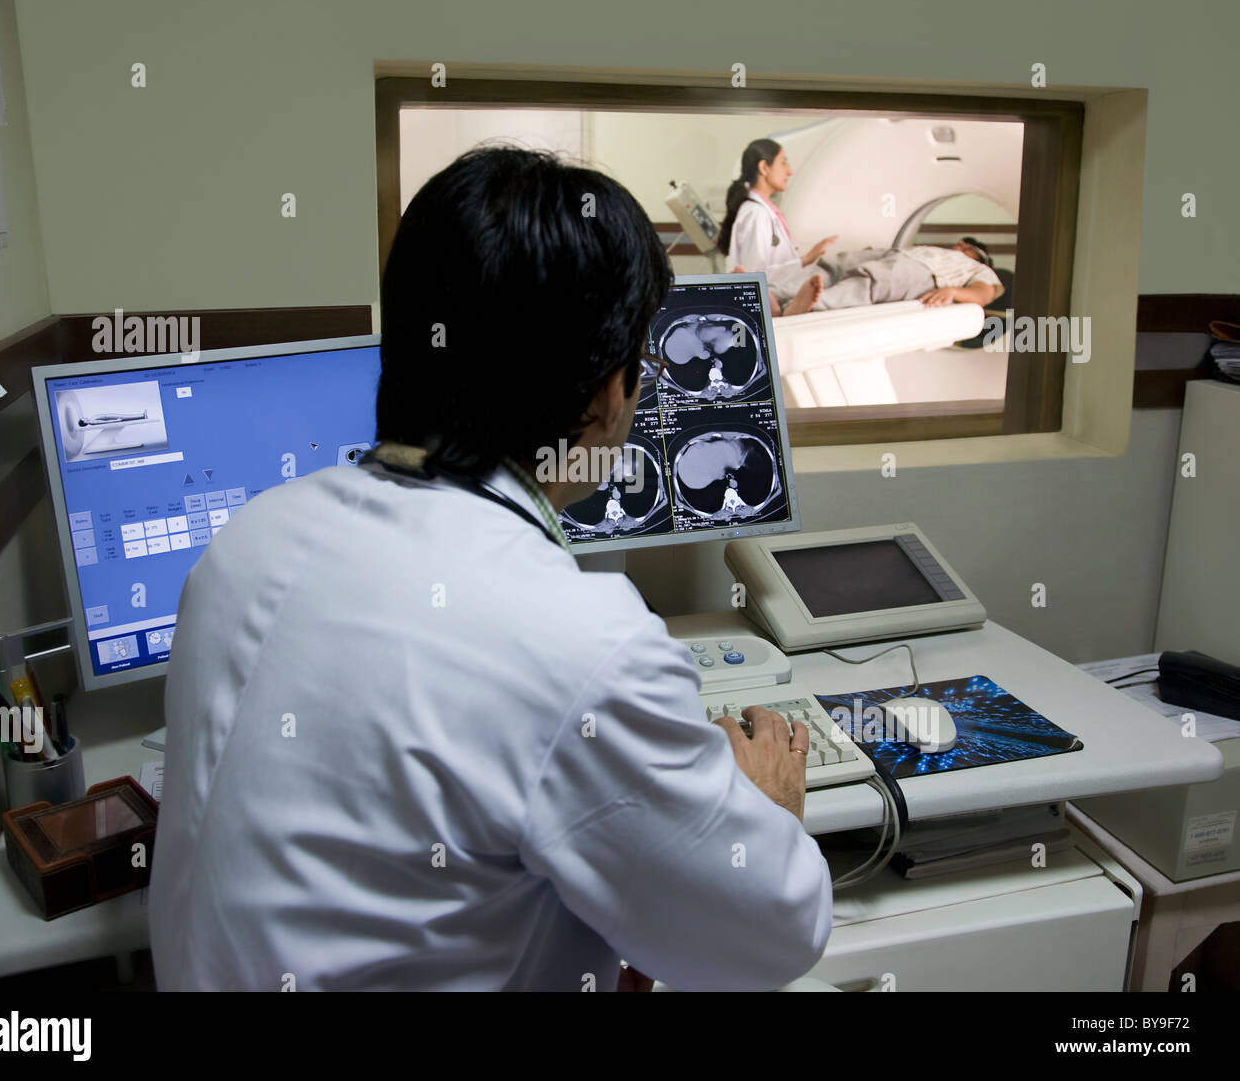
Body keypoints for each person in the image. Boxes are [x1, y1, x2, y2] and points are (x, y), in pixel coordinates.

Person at [148, 146, 833, 992]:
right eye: (640, 365)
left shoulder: (248, 539)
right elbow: (769, 938)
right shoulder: (580, 643)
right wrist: (762, 807)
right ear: (605, 392)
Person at [716, 138, 836, 315]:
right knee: (841, 270)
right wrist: (806, 259)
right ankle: (785, 310)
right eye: (783, 163)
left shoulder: (764, 211)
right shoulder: (755, 213)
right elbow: (755, 276)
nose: (789, 171)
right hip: (774, 293)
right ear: (764, 167)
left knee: (840, 270)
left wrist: (807, 260)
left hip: (780, 288)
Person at [787, 237, 1006, 314]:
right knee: (836, 264)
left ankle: (811, 305)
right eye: (961, 242)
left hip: (923, 271)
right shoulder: (938, 250)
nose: (961, 244)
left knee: (870, 280)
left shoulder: (980, 269)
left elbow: (984, 294)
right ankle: (778, 296)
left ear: (978, 257)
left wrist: (953, 291)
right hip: (897, 254)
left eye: (968, 247)